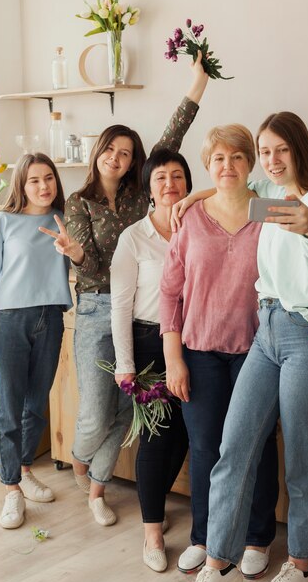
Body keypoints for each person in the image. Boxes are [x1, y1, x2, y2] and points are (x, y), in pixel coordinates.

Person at [181, 112, 308, 582]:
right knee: (233, 450)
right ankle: (218, 566)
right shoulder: (267, 194)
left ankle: (301, 569)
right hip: (266, 331)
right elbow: (228, 182)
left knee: (303, 460)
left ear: (300, 148)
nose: (272, 160)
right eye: (266, 150)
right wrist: (191, 197)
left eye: (282, 149)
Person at [41, 54, 209, 527]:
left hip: (143, 313)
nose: (117, 158)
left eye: (126, 153)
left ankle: (98, 488)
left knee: (124, 410)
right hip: (98, 309)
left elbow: (171, 143)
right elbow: (96, 269)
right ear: (97, 153)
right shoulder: (79, 202)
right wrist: (75, 257)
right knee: (97, 412)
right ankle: (79, 458)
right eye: (110, 150)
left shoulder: (142, 193)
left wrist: (197, 85)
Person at [160, 125, 279, 579]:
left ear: (250, 164)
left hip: (260, 352)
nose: (227, 167)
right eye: (218, 159)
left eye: (237, 158)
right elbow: (170, 293)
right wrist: (174, 359)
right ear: (207, 165)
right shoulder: (189, 218)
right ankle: (205, 538)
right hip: (199, 353)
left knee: (257, 446)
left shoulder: (269, 210)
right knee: (207, 447)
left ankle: (256, 537)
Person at [0, 153, 72, 529]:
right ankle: (11, 490)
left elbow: (82, 268)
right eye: (34, 180)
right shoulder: (3, 222)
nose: (43, 186)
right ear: (21, 185)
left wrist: (73, 250)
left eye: (49, 178)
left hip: (50, 319)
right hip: (8, 322)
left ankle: (23, 470)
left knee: (35, 406)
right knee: (8, 409)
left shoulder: (64, 222)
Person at [110, 149, 193, 572]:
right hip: (146, 342)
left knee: (186, 435)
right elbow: (120, 306)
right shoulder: (134, 237)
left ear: (188, 185)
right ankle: (153, 531)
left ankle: (155, 500)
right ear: (149, 187)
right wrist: (125, 364)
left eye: (177, 176)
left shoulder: (199, 227)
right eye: (160, 177)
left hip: (193, 342)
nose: (169, 184)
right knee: (157, 436)